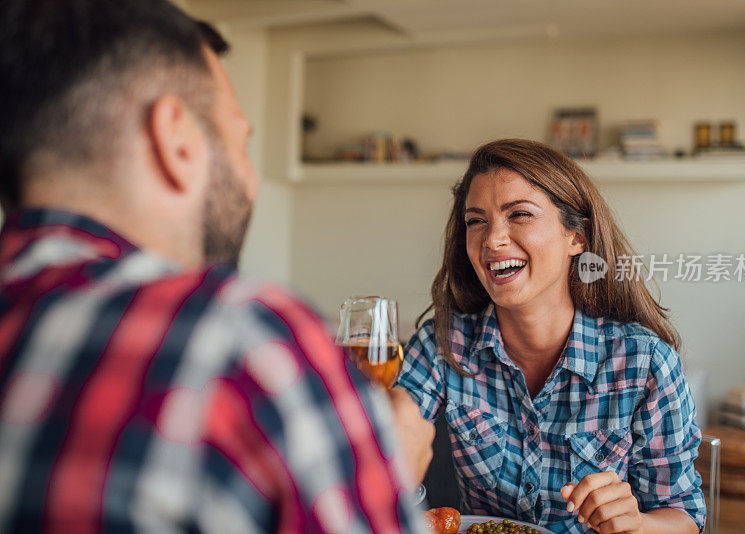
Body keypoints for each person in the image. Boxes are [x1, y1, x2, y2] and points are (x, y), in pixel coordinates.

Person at [0, 1, 433, 532]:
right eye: (239, 139)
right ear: (176, 138)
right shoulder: (243, 337)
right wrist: (392, 468)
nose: (249, 177)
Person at [398, 139, 706, 534]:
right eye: (476, 220)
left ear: (575, 237)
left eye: (520, 214)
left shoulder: (644, 362)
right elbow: (385, 448)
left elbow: (684, 515)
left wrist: (637, 523)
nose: (492, 240)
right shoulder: (444, 344)